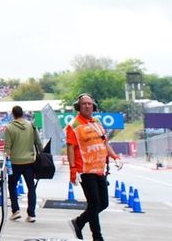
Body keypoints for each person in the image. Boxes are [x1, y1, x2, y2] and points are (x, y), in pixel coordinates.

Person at [66, 94, 122, 241]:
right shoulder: (74, 125)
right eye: (83, 104)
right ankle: (97, 237)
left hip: (99, 169)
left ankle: (78, 222)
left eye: (89, 104)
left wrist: (115, 157)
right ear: (78, 106)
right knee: (94, 203)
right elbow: (70, 148)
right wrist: (72, 169)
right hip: (84, 169)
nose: (87, 106)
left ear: (93, 106)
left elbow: (105, 143)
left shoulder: (96, 122)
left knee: (103, 203)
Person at [3, 105, 42, 223]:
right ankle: (31, 214)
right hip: (30, 162)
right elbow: (38, 143)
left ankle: (15, 211)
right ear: (23, 113)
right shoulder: (31, 125)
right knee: (31, 188)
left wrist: (6, 164)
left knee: (12, 185)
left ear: (13, 114)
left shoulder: (9, 128)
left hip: (15, 163)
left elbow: (7, 148)